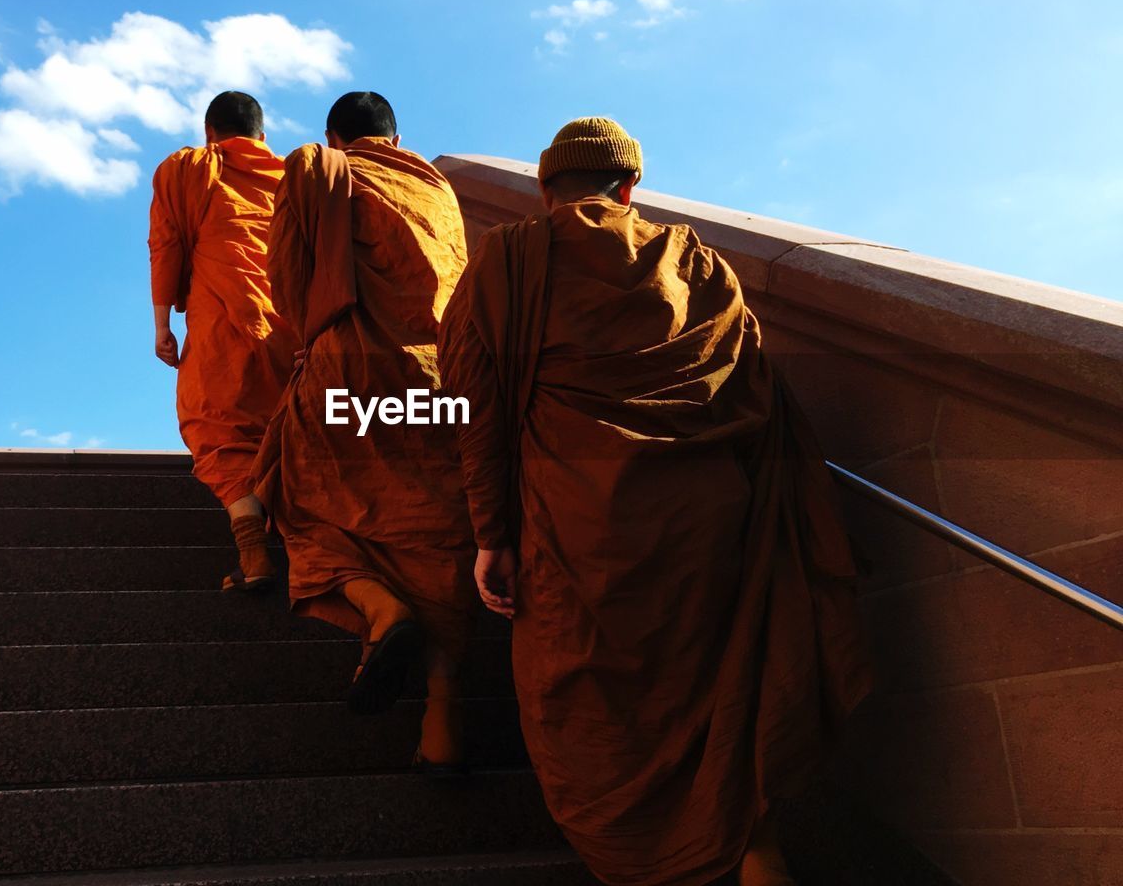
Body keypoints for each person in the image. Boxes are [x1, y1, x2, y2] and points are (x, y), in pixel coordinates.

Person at [438, 117, 872, 885]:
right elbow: (754, 386)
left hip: (575, 525)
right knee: (718, 687)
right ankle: (752, 845)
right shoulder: (697, 261)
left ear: (544, 190)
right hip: (709, 518)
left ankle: (652, 860)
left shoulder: (508, 258)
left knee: (591, 710)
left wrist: (491, 534)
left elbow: (476, 407)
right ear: (631, 188)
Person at [252, 91, 475, 770]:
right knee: (440, 537)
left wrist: (308, 336)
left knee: (297, 494)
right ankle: (443, 726)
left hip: (348, 375)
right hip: (439, 384)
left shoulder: (318, 168)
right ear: (399, 137)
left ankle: (379, 607)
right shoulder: (438, 189)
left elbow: (286, 277)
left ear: (333, 136)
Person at [148, 90, 289, 592]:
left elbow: (165, 245)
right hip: (288, 328)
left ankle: (254, 556)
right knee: (283, 430)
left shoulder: (187, 168)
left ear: (210, 133)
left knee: (215, 427)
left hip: (222, 325)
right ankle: (311, 555)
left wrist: (163, 325)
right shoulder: (290, 176)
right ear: (263, 138)